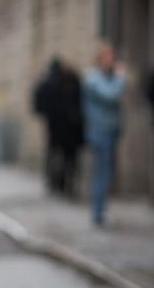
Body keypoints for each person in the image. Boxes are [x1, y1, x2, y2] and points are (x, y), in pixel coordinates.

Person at [82, 41, 127, 225]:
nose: (112, 59)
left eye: (113, 56)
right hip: (101, 133)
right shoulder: (94, 79)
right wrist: (120, 77)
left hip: (108, 131)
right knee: (102, 173)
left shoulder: (103, 77)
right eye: (108, 56)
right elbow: (112, 95)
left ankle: (100, 211)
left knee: (104, 173)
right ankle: (98, 214)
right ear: (100, 58)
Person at [32, 56, 84, 197]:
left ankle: (56, 182)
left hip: (58, 127)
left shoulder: (50, 81)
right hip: (68, 128)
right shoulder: (67, 81)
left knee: (56, 155)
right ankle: (63, 183)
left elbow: (39, 103)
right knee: (67, 157)